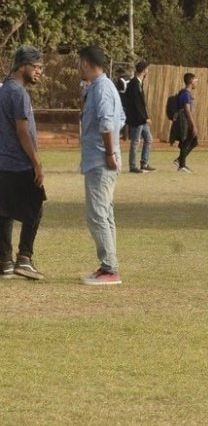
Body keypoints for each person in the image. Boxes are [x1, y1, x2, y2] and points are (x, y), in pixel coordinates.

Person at [78, 45, 126, 285]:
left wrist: (109, 152)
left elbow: (108, 123)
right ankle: (108, 265)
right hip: (100, 159)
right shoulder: (101, 87)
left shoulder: (101, 89)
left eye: (79, 63)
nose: (79, 68)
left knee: (97, 215)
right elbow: (122, 118)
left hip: (100, 160)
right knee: (104, 214)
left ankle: (110, 269)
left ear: (86, 63)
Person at [0, 45, 47, 280]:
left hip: (3, 163)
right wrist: (36, 162)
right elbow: (21, 130)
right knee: (37, 204)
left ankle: (5, 262)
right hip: (18, 163)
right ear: (22, 66)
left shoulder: (3, 89)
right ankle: (24, 258)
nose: (39, 72)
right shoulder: (18, 92)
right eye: (36, 67)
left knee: (4, 211)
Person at [124, 60, 156, 173]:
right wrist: (144, 118)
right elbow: (136, 104)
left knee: (148, 139)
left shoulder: (139, 83)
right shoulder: (134, 84)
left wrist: (146, 116)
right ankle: (133, 166)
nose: (148, 71)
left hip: (142, 119)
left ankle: (144, 163)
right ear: (143, 71)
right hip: (137, 119)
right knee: (135, 141)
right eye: (147, 69)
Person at [170, 73, 198, 172]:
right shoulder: (186, 94)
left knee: (193, 141)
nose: (196, 82)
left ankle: (180, 160)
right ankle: (182, 165)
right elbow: (187, 110)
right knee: (186, 141)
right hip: (183, 121)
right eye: (195, 80)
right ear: (191, 81)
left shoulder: (186, 93)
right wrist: (193, 125)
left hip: (184, 120)